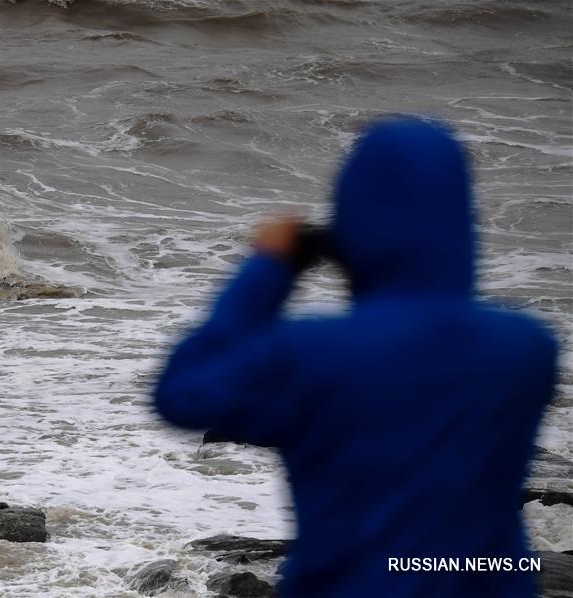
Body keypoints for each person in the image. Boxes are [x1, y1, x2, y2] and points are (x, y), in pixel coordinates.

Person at [153, 117, 558, 597]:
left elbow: (181, 394)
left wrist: (268, 271)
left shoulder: (311, 353)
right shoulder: (525, 347)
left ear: (354, 220)